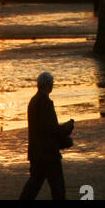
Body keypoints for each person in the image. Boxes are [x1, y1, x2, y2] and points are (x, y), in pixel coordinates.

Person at [20, 71, 75, 200]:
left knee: (33, 185)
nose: (52, 86)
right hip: (48, 153)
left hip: (36, 152)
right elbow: (51, 128)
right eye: (52, 84)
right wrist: (67, 128)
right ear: (48, 85)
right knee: (57, 188)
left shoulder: (33, 101)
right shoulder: (44, 102)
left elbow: (44, 128)